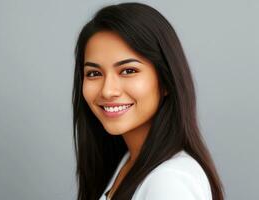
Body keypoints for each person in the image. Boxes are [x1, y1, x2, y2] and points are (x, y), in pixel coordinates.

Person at [72, 2, 224, 200]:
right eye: (94, 73)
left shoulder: (169, 182)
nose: (108, 91)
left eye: (128, 71)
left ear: (166, 80)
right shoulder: (129, 161)